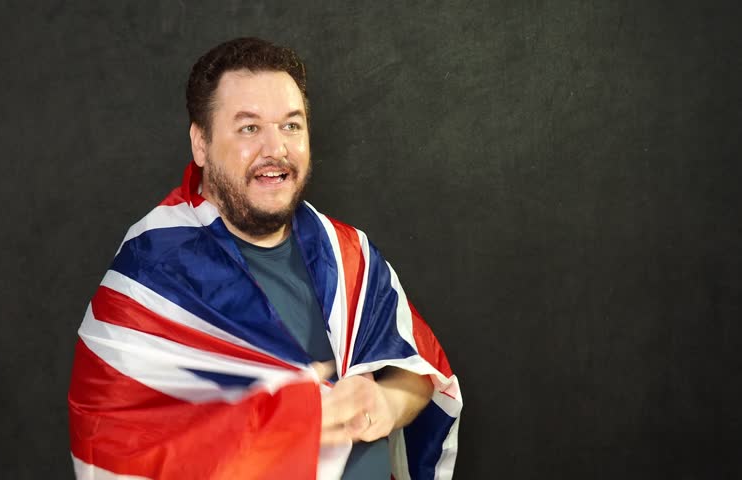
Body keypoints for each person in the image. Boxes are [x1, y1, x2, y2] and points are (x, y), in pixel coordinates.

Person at [68, 37, 462, 480]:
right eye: (249, 128)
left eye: (291, 125)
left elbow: (417, 371)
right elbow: (114, 446)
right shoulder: (151, 277)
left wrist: (386, 404)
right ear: (201, 143)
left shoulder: (348, 253)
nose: (275, 149)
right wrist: (285, 420)